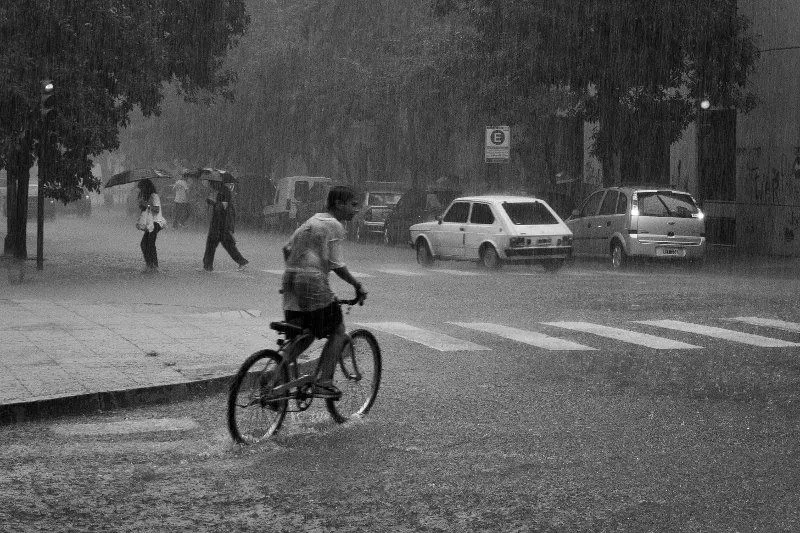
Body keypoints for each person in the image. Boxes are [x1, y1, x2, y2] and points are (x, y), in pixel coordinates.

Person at [280, 185, 367, 399]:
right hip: (312, 281)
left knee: (305, 334)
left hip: (290, 279)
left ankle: (273, 376)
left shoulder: (309, 222)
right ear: (338, 204)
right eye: (353, 205)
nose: (356, 210)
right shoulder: (334, 225)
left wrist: (298, 273)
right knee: (337, 330)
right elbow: (337, 264)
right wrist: (357, 285)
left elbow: (286, 249)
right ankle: (324, 382)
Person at [202, 180, 249, 271]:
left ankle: (208, 266)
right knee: (222, 245)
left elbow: (223, 207)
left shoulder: (224, 191)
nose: (211, 185)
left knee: (216, 245)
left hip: (221, 224)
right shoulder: (221, 191)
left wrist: (213, 203)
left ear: (216, 183)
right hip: (219, 223)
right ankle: (207, 266)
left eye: (211, 183)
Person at [136, 179, 167, 273]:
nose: (141, 190)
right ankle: (149, 265)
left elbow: (156, 209)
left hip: (156, 222)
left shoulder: (154, 196)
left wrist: (146, 204)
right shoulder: (147, 196)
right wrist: (142, 205)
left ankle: (154, 266)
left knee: (150, 244)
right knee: (144, 244)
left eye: (141, 188)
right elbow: (146, 210)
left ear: (146, 187)